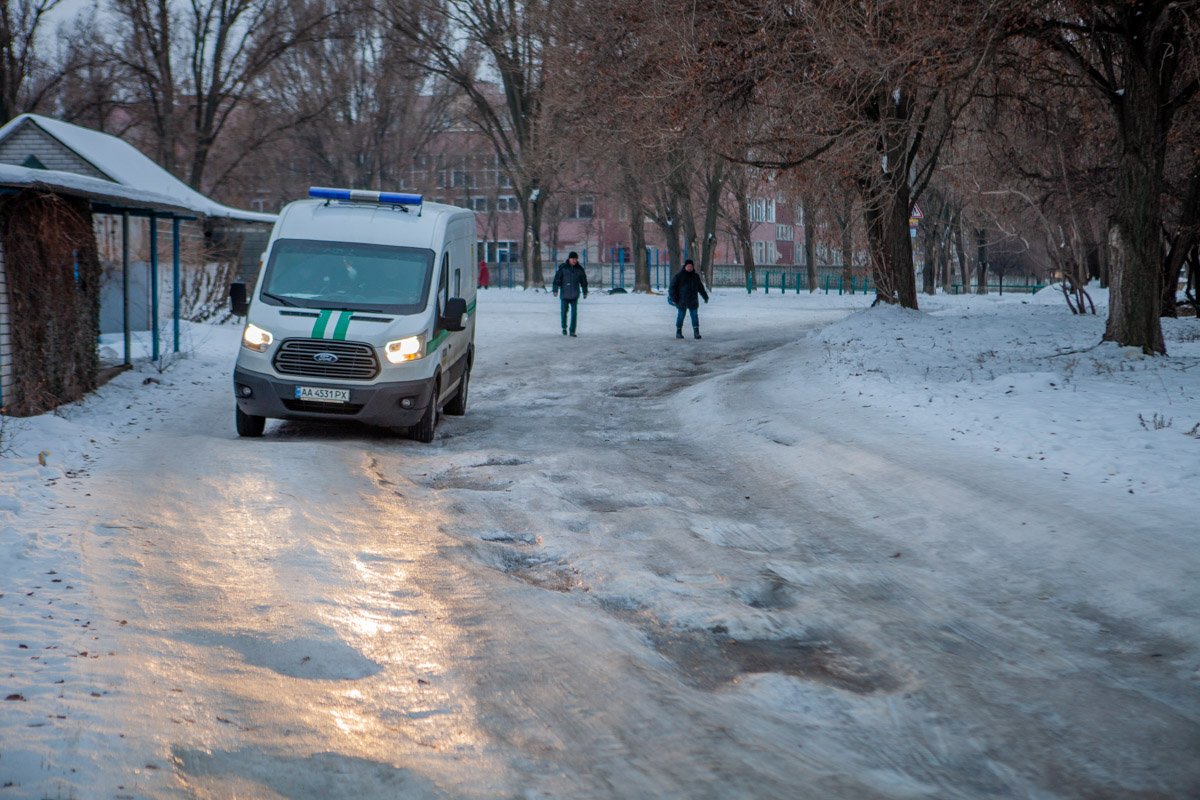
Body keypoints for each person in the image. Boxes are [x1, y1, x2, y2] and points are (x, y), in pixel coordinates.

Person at [668, 258, 709, 339]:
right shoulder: (679, 276)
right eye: (688, 266)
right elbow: (672, 288)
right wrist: (675, 298)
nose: (689, 268)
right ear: (685, 267)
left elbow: (700, 288)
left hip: (693, 301)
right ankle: (678, 332)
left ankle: (696, 333)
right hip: (681, 301)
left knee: (694, 316)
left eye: (691, 266)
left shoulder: (696, 276)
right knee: (680, 316)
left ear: (693, 267)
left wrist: (705, 296)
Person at [552, 251, 588, 336]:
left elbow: (584, 281)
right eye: (572, 258)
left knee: (574, 313)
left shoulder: (579, 269)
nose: (574, 260)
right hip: (564, 294)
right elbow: (557, 279)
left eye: (575, 259)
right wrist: (555, 290)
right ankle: (564, 327)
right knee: (564, 312)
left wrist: (585, 291)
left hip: (575, 294)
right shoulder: (563, 268)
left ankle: (572, 331)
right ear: (569, 259)